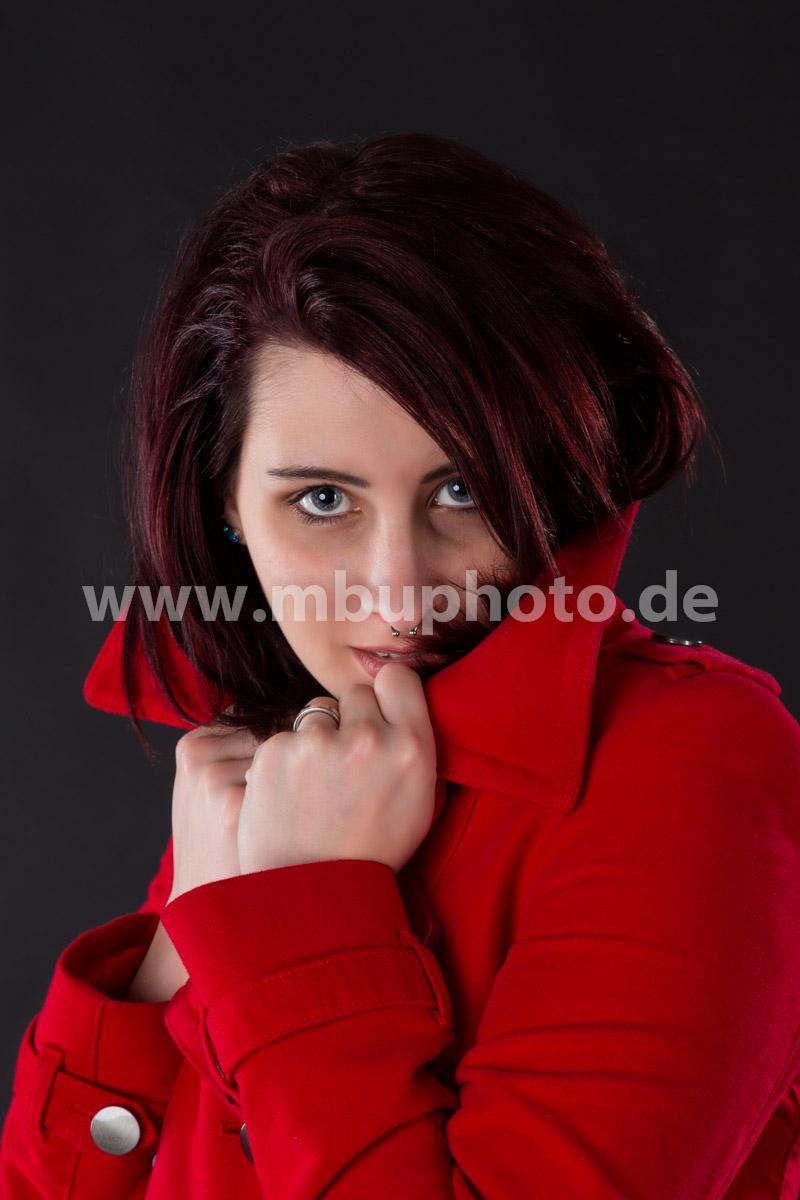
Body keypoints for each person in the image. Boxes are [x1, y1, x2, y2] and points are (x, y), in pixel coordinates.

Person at [2, 131, 799, 1199]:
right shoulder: (293, 754)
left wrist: (303, 910)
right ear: (224, 502)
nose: (398, 593)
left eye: (462, 491)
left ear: (551, 475)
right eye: (322, 500)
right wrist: (179, 939)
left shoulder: (687, 766)